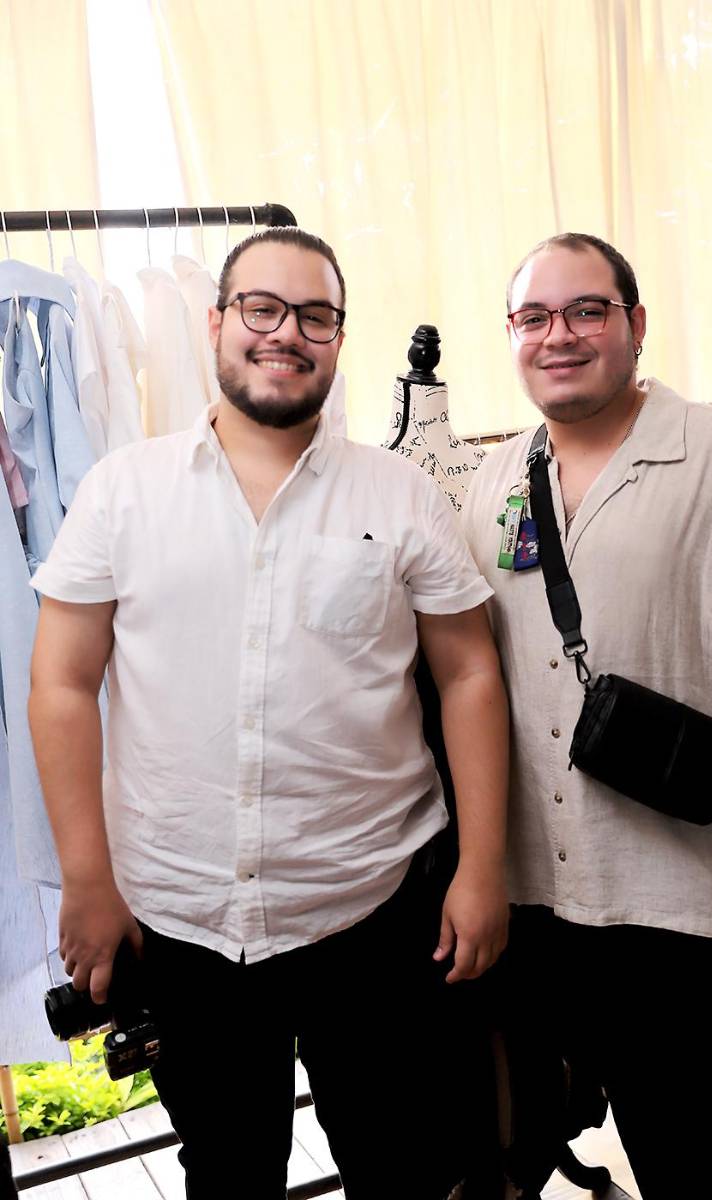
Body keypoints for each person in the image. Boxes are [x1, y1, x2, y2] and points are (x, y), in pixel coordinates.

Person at [28, 227, 510, 1200]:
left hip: (372, 914)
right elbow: (62, 683)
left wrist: (482, 869)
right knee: (227, 1172)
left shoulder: (400, 494)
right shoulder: (123, 492)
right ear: (215, 322)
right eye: (262, 307)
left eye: (315, 315)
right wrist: (86, 878)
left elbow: (468, 675)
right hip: (183, 923)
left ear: (338, 337)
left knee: (401, 1169)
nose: (286, 332)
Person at [461, 232, 712, 1199]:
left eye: (587, 310)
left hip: (678, 880)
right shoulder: (495, 480)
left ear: (635, 324)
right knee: (530, 1124)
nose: (559, 335)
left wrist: (695, 750)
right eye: (534, 317)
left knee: (681, 1137)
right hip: (536, 887)